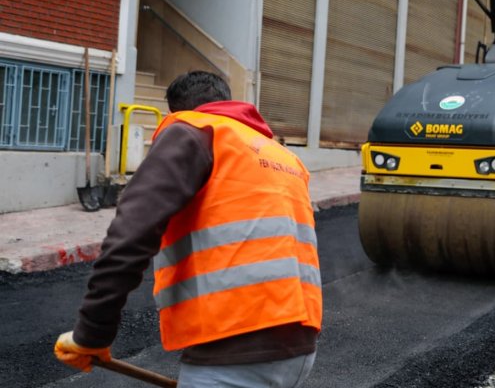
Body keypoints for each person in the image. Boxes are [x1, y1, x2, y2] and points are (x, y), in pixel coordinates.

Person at [54, 71, 321, 387]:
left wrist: (91, 333)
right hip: (298, 352)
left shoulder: (193, 131)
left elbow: (131, 233)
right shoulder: (282, 156)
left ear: (175, 112)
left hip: (233, 349)